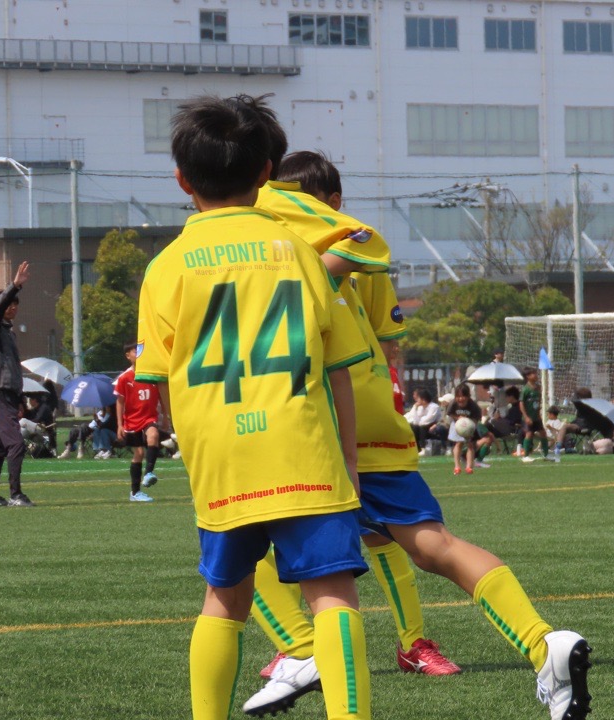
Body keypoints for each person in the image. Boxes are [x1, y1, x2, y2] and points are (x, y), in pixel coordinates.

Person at [243, 147, 591, 719]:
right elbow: (383, 339)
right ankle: (541, 642)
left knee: (241, 537)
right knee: (433, 545)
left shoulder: (269, 245)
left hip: (307, 416)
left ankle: (303, 649)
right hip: (372, 414)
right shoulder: (352, 246)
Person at [134, 94, 373, 720]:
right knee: (332, 596)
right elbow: (339, 370)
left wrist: (199, 450)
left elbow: (161, 382)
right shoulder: (300, 253)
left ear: (182, 180)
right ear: (267, 172)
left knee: (225, 599)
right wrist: (348, 460)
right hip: (304, 450)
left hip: (223, 460)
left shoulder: (165, 267)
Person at [241, 149, 462, 717]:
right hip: (303, 416)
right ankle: (300, 646)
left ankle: (408, 644)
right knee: (261, 533)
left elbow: (383, 336)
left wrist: (388, 395)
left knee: (383, 536)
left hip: (356, 416)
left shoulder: (352, 254)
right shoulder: (274, 255)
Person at [0, 261, 34, 507]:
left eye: (15, 304)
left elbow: (13, 368)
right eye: (8, 303)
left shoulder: (9, 333)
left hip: (10, 394)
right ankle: (15, 494)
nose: (12, 307)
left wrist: (20, 399)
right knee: (16, 443)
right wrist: (14, 286)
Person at [115, 341, 163, 502]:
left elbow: (162, 395)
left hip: (149, 417)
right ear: (128, 356)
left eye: (140, 351)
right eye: (135, 352)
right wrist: (120, 425)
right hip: (132, 420)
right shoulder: (124, 378)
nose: (139, 354)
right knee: (139, 453)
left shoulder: (151, 375)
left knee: (153, 435)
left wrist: (166, 416)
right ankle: (135, 493)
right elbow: (120, 402)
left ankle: (149, 473)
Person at [446, 383, 482, 475]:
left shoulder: (473, 405)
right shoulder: (453, 403)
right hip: (457, 425)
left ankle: (469, 467)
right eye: (458, 396)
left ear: (468, 396)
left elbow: (477, 417)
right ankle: (457, 466)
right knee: (458, 443)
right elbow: (449, 413)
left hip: (469, 426)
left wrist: (470, 424)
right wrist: (458, 418)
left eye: (463, 396)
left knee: (470, 445)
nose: (460, 399)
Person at [554, 387, 594, 458]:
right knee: (565, 427)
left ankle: (558, 448)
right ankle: (568, 447)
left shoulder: (587, 406)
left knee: (565, 427)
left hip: (584, 426)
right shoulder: (583, 405)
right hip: (580, 424)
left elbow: (585, 420)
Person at [520, 367, 549, 462]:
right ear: (528, 376)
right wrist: (526, 417)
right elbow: (521, 403)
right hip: (528, 417)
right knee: (529, 434)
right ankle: (525, 456)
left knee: (543, 433)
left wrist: (538, 413)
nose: (536, 375)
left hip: (536, 417)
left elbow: (538, 401)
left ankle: (546, 455)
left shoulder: (538, 388)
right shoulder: (525, 389)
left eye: (535, 373)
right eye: (533, 374)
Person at [404, 388, 442, 456]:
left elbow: (427, 421)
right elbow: (415, 421)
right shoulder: (419, 407)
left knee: (422, 428)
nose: (417, 400)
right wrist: (415, 408)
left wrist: (419, 420)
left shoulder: (434, 407)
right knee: (413, 427)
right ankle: (416, 448)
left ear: (423, 399)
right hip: (421, 425)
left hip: (433, 426)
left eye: (418, 398)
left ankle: (423, 448)